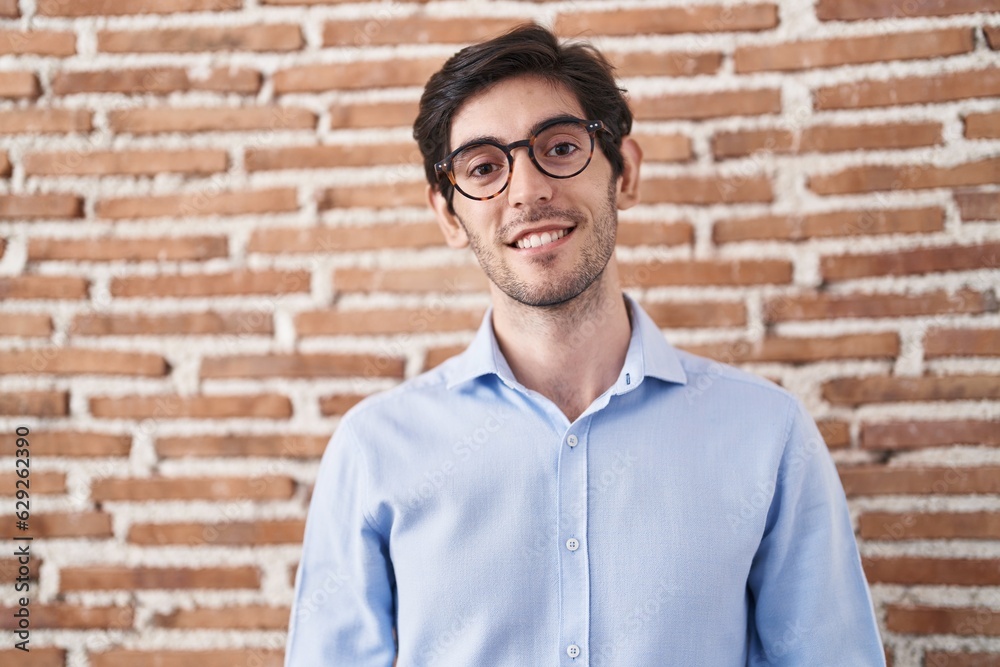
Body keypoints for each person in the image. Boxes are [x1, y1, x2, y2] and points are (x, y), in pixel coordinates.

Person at [285, 23, 885, 666]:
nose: (528, 190)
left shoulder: (768, 434)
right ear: (447, 214)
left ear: (624, 171)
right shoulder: (376, 449)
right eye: (484, 167)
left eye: (561, 147)